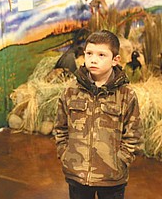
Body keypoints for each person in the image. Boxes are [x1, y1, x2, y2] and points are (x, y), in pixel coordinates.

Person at [55, 30, 143, 199]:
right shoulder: (71, 91)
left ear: (115, 60)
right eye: (89, 53)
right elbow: (60, 127)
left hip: (112, 179)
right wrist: (66, 154)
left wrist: (120, 161)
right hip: (77, 174)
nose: (93, 59)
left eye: (102, 55)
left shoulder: (126, 95)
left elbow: (134, 135)